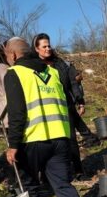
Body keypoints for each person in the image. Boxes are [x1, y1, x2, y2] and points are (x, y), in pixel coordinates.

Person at [2, 37, 97, 197]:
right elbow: (68, 105)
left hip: (32, 140)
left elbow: (17, 112)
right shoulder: (52, 72)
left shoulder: (14, 73)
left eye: (8, 55)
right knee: (63, 185)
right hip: (60, 139)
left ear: (14, 55)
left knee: (27, 183)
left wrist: (13, 144)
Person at [32, 33, 98, 176]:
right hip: (46, 110)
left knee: (71, 140)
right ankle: (48, 174)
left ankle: (78, 170)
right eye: (44, 46)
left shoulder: (59, 63)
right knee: (48, 142)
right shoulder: (33, 67)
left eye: (49, 45)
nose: (48, 48)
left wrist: (80, 101)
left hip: (65, 107)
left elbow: (73, 83)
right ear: (36, 49)